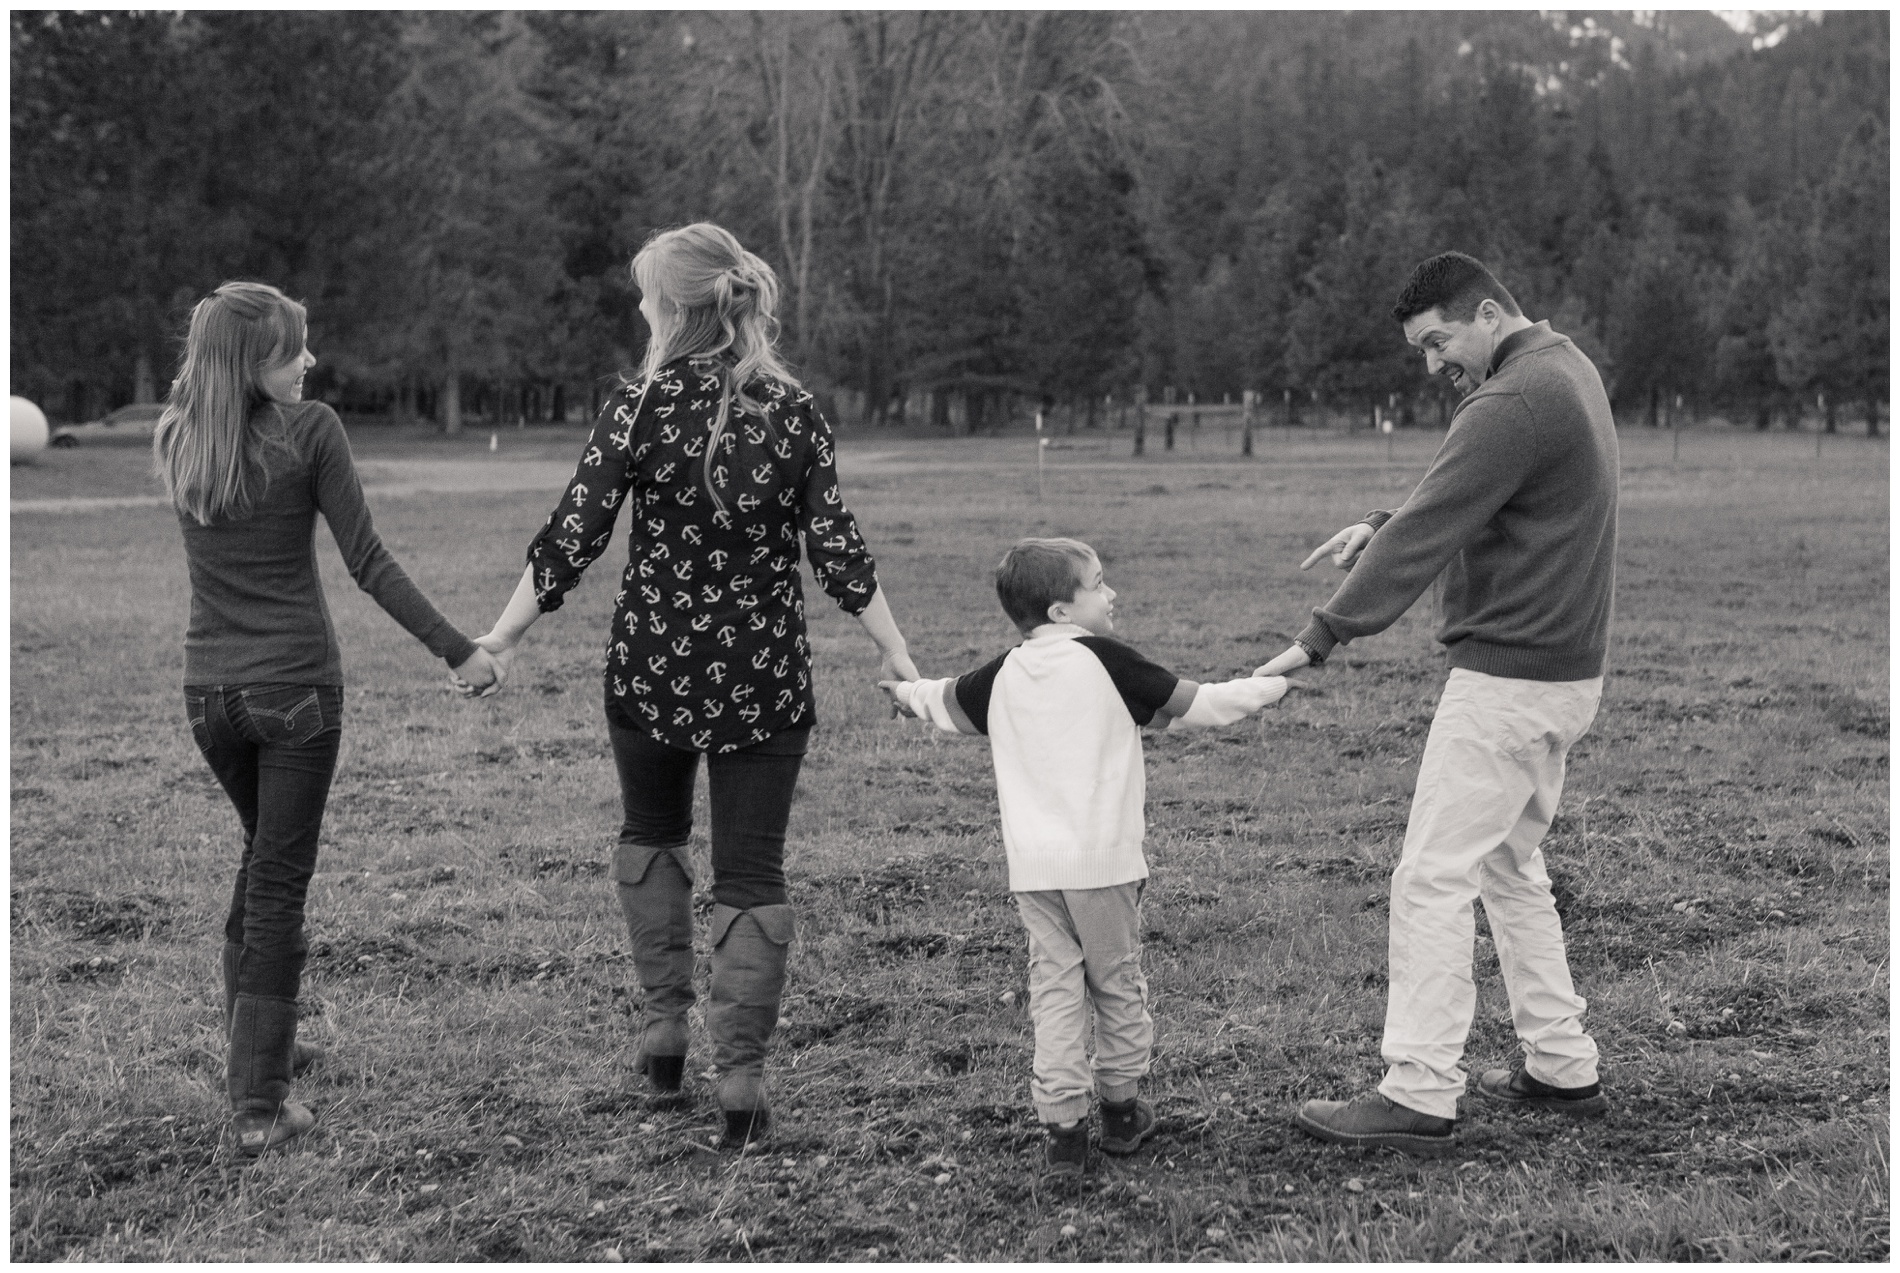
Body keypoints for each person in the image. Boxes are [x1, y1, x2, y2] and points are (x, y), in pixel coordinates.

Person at [466, 223, 918, 1149]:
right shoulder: (794, 411)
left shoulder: (635, 407)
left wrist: (505, 634)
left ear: (672, 308)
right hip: (763, 678)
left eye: (644, 295)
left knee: (652, 835)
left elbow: (574, 532)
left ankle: (666, 1032)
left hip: (650, 669)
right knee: (753, 872)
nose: (639, 308)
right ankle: (743, 1085)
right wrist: (894, 651)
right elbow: (836, 548)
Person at [1257, 252, 1618, 1154]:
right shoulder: (1561, 367)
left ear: (1488, 313)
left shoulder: (1512, 399)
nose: (1431, 365)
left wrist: (1321, 635)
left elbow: (1437, 521)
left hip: (1508, 681)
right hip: (1563, 674)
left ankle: (1418, 1088)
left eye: (1437, 341)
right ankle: (1562, 1063)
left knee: (1431, 878)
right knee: (1507, 867)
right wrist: (1382, 523)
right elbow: (1474, 495)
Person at [156, 282, 500, 1156]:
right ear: (250, 362)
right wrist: (458, 648)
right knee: (277, 886)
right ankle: (260, 1105)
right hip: (296, 695)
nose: (308, 361)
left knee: (262, 862)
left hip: (210, 700)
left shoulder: (181, 434)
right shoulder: (312, 432)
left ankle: (258, 1044)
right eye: (290, 350)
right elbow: (368, 561)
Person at [881, 537, 1291, 1178]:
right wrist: (1265, 687)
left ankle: (1063, 1130)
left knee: (1055, 991)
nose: (1112, 593)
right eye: (1099, 583)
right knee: (1116, 985)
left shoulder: (1004, 672)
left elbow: (944, 701)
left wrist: (904, 694)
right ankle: (1123, 1114)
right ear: (1061, 613)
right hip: (1104, 867)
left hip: (1035, 873)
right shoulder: (1105, 658)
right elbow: (1198, 705)